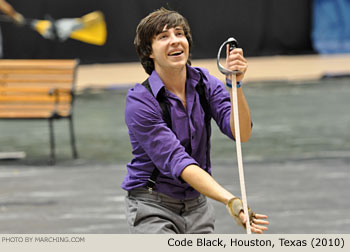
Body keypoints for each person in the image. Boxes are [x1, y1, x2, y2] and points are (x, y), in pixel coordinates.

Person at [122, 7, 269, 234]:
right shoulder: (140, 101)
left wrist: (235, 85)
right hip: (152, 205)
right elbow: (178, 160)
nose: (175, 41)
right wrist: (231, 201)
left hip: (197, 206)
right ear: (148, 51)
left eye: (179, 34)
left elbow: (242, 133)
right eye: (163, 37)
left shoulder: (204, 83)